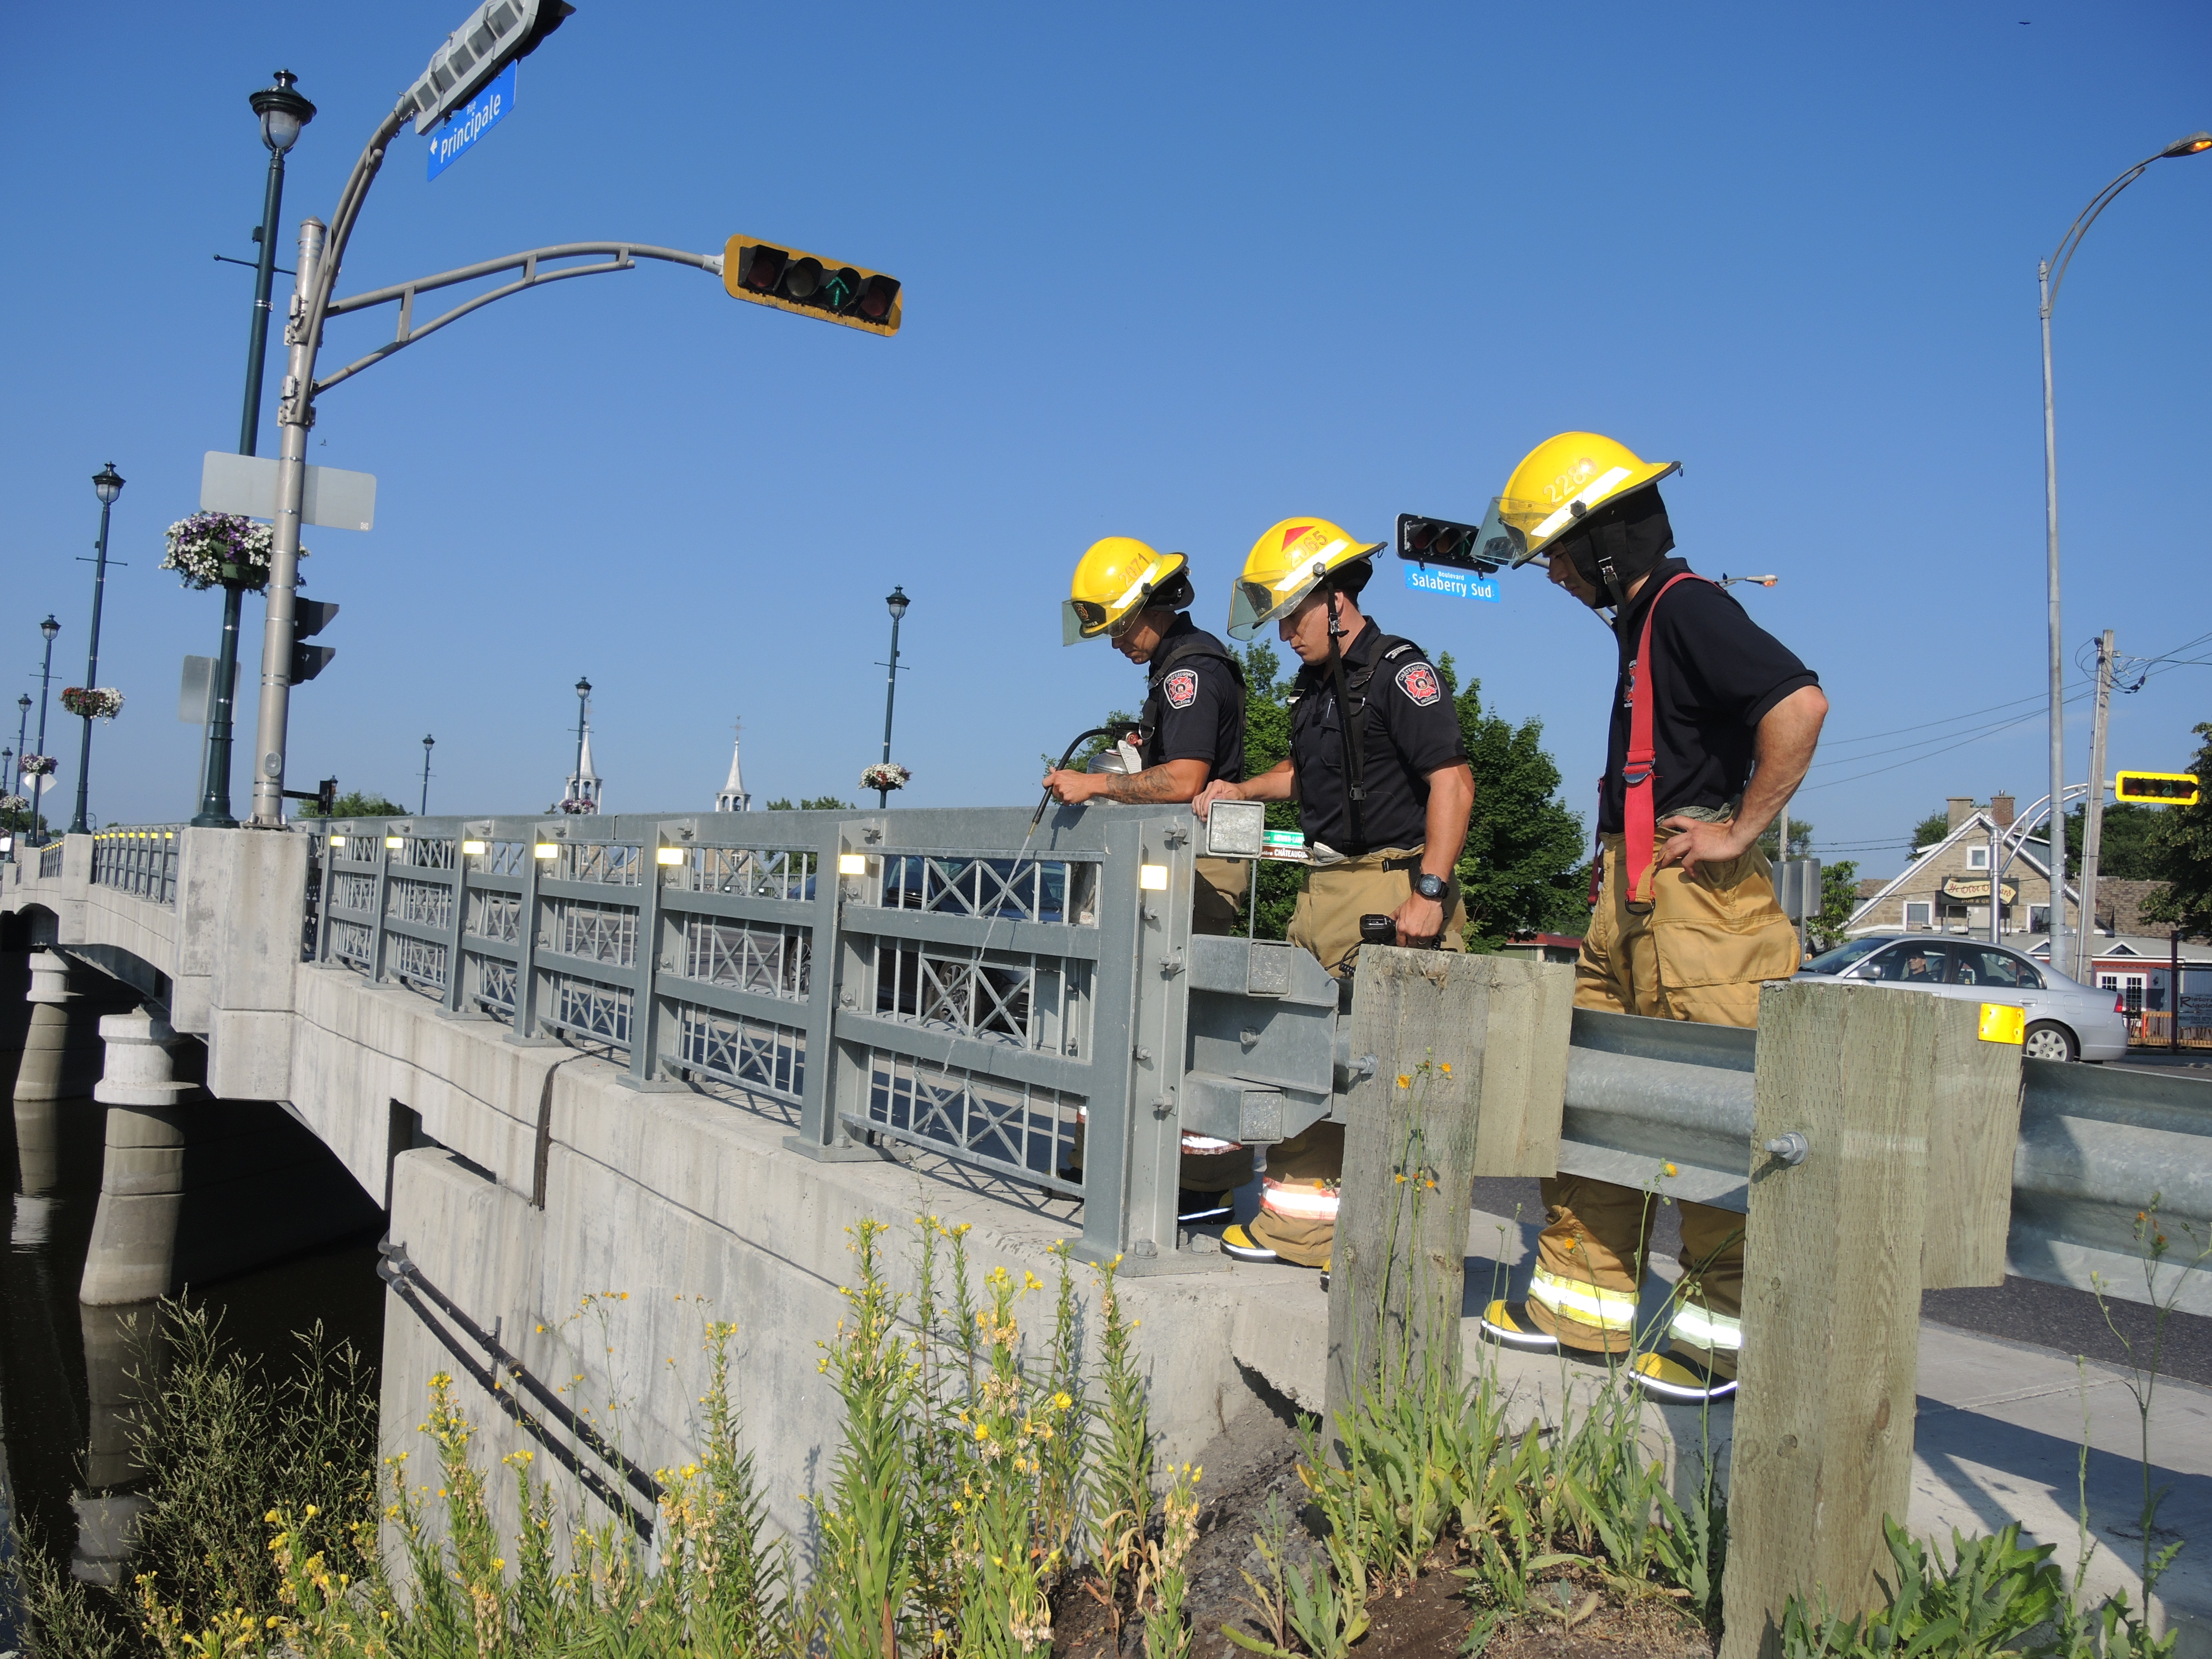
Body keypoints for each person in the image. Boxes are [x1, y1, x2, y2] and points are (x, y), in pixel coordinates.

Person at [1472, 432, 1827, 1404]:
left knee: (1710, 1121)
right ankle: (1583, 1309)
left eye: (1558, 551)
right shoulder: (1643, 625)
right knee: (1592, 1100)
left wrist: (1739, 829)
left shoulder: (1687, 609)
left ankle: (1725, 1350)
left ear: (1606, 547)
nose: (1551, 571)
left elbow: (1797, 704)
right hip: (1634, 901)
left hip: (1697, 912)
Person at [1191, 517, 1474, 1273]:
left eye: (1292, 614)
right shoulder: (1319, 687)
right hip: (1325, 892)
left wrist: (1430, 892)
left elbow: (1453, 781)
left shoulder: (1398, 670)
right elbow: (1305, 774)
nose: (1283, 632)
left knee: (1391, 1075)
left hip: (1388, 887)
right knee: (1304, 1059)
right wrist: (1241, 788)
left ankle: (1398, 1247)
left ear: (1337, 599)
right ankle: (1306, 1232)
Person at [1045, 536, 1253, 1209]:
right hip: (1181, 866)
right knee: (1143, 1022)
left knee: (1172, 1026)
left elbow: (1188, 778)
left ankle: (1189, 1184)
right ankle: (1120, 1164)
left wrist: (1094, 786)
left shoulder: (1188, 673)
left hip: (1195, 871)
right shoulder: (1180, 670)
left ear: (1149, 606)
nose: (1114, 644)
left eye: (1119, 628)